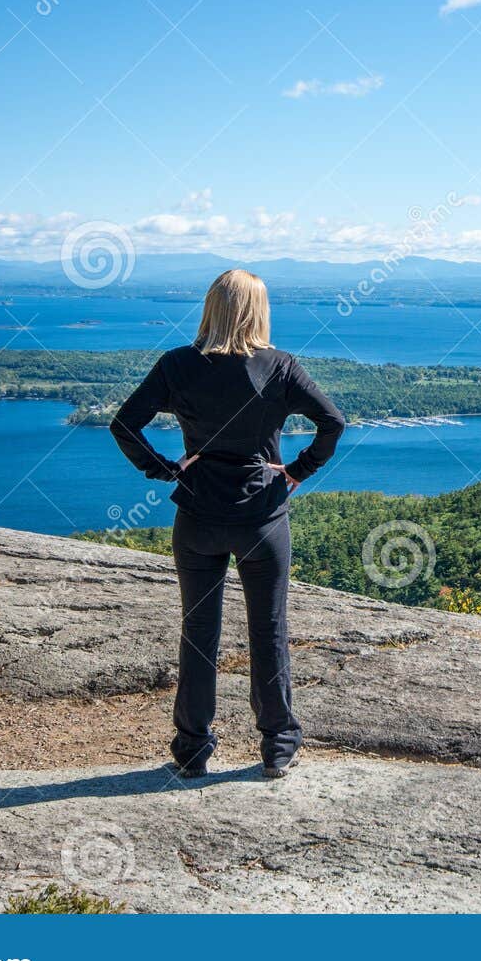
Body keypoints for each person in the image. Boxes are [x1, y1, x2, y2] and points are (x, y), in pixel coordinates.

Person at [110, 269, 345, 779]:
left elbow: (123, 424)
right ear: (259, 311)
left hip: (198, 517)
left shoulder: (178, 364)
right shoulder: (280, 366)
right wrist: (297, 471)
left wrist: (167, 469)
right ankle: (277, 745)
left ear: (211, 307)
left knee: (198, 631)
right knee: (269, 629)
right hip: (263, 517)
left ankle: (192, 749)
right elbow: (334, 423)